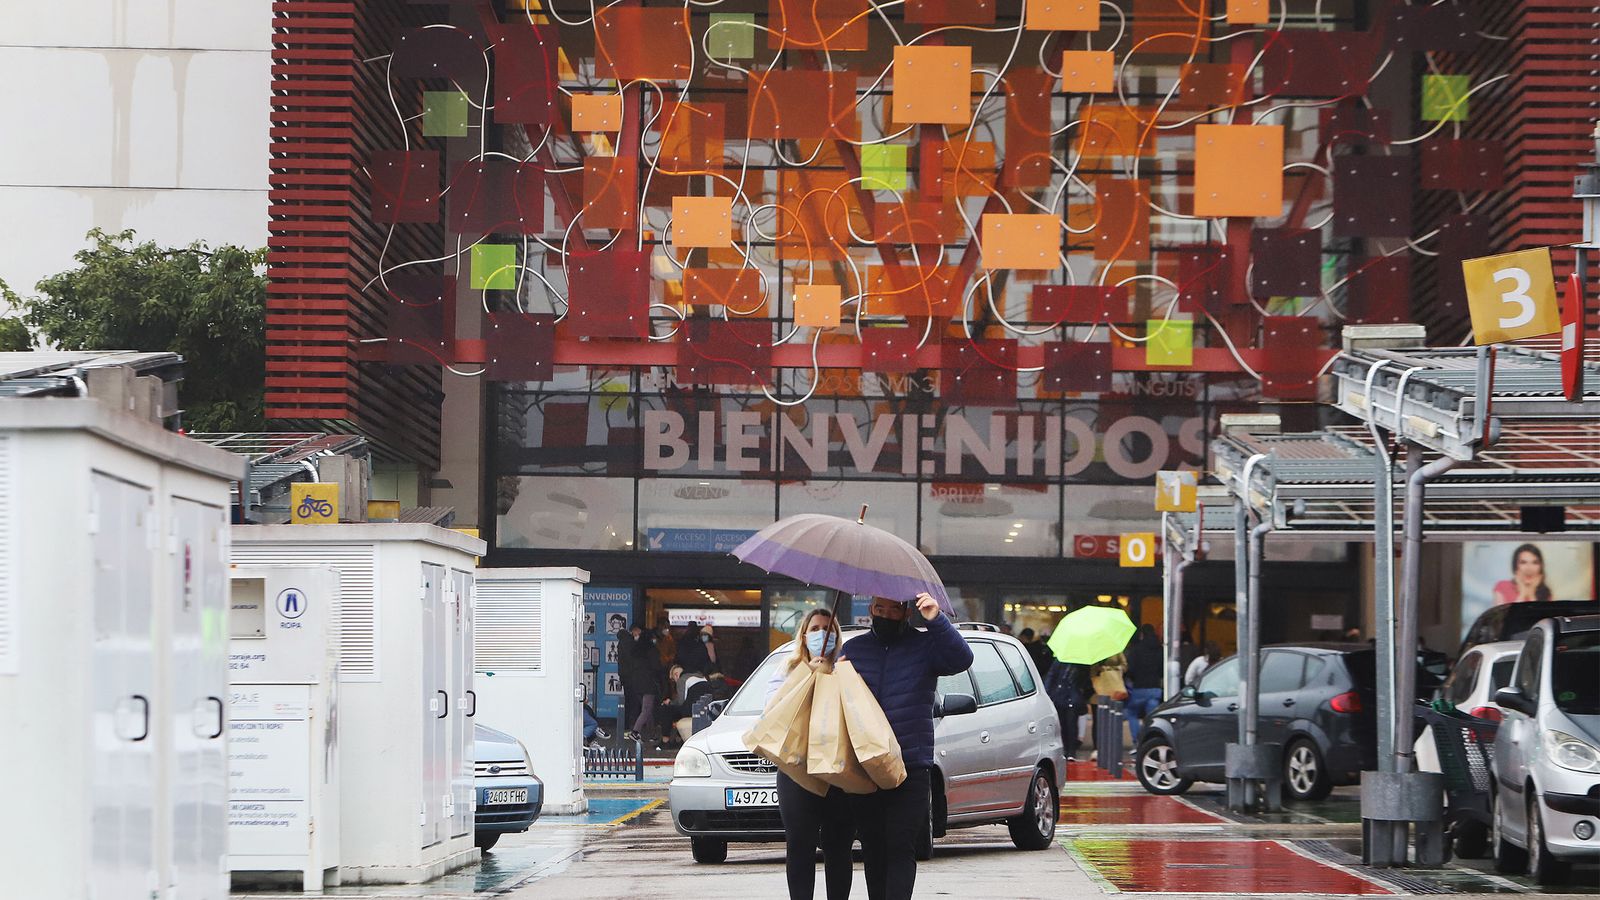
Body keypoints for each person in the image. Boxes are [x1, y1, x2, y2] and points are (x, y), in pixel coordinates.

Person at [840, 594, 973, 900]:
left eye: (894, 609)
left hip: (910, 765)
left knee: (901, 845)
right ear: (871, 610)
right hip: (866, 763)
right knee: (873, 847)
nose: (886, 614)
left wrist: (935, 618)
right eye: (879, 608)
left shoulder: (925, 646)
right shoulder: (854, 649)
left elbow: (961, 659)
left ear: (906, 612)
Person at [765, 608, 853, 900]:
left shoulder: (847, 669)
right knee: (799, 845)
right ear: (803, 635)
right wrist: (806, 677)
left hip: (838, 773)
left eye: (827, 628)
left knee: (838, 846)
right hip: (797, 773)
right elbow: (773, 714)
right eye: (814, 628)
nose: (821, 634)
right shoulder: (787, 669)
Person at [1122, 624, 1164, 745]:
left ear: (1142, 635)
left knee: (1132, 713)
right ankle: (1150, 741)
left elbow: (1131, 669)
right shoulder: (1160, 649)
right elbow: (1162, 670)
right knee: (1152, 718)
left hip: (1139, 688)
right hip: (1155, 689)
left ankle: (1137, 741)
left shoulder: (1136, 650)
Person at [1043, 658, 1090, 757]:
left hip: (1073, 697)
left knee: (1072, 723)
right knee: (1062, 723)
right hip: (1060, 696)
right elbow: (1051, 677)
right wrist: (1048, 694)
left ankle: (1072, 750)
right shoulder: (1059, 661)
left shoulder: (1082, 664)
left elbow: (1085, 681)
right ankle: (1065, 748)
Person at [624, 630, 665, 743]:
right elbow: (656, 666)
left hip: (636, 683)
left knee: (647, 709)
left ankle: (652, 734)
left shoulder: (636, 650)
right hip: (648, 683)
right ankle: (635, 732)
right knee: (646, 709)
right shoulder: (652, 650)